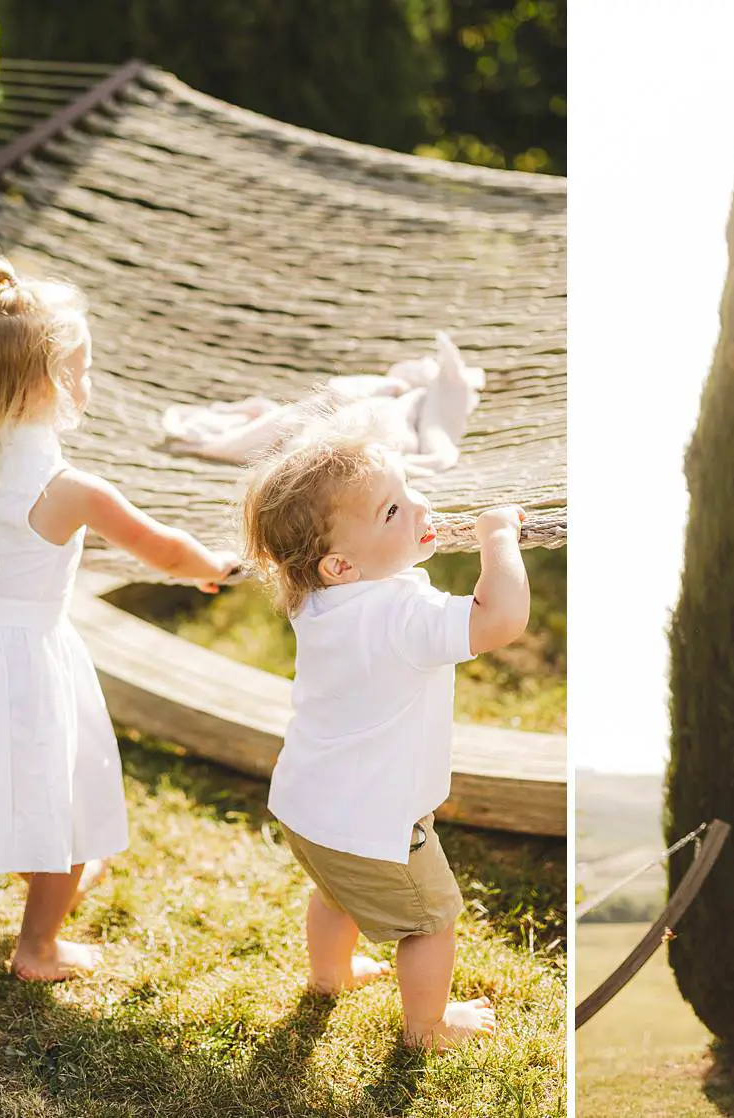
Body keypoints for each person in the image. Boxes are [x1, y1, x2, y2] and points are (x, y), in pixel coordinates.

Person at [0, 257, 240, 981]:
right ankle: (38, 948)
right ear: (50, 384)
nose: (90, 380)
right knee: (69, 809)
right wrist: (207, 565)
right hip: (22, 666)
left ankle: (40, 877)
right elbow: (161, 547)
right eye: (84, 367)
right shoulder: (69, 487)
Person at [242, 417, 530, 1049]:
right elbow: (501, 617)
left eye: (410, 486)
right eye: (394, 509)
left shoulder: (313, 600)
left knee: (335, 891)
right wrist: (499, 536)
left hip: (304, 806)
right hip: (379, 825)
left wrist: (400, 523)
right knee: (430, 922)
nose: (421, 508)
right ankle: (427, 1026)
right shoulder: (403, 614)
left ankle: (330, 974)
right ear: (341, 563)